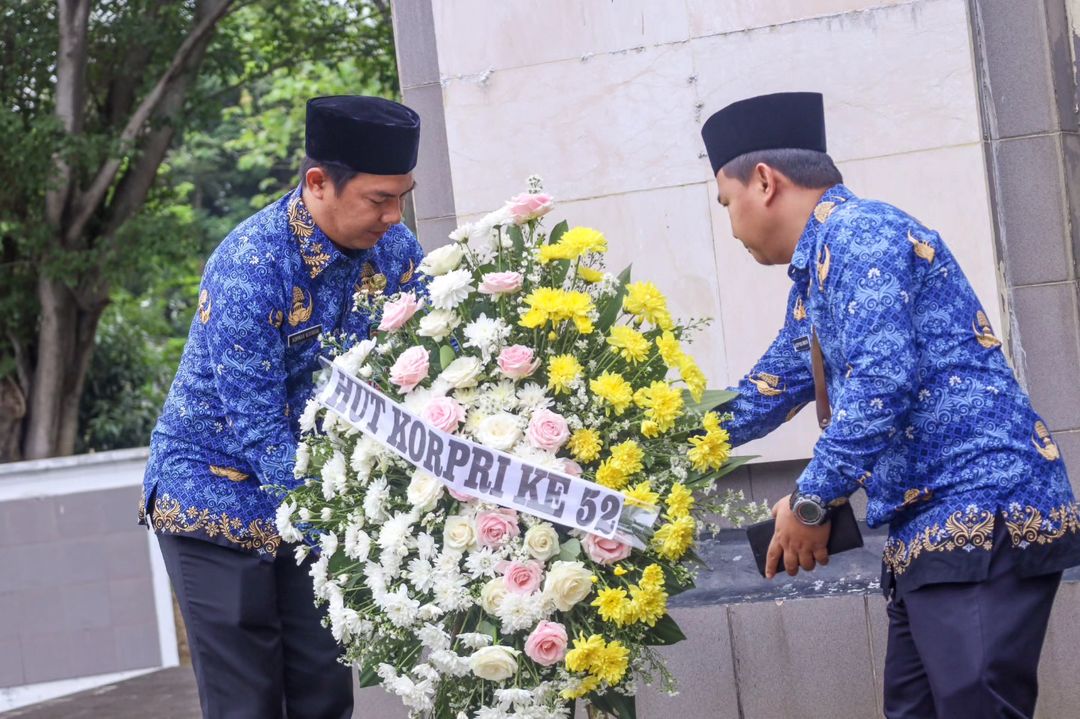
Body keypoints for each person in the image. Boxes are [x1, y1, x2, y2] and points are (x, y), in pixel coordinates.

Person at [702, 91, 1080, 718]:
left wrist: (811, 500)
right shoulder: (819, 271)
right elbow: (764, 392)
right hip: (928, 536)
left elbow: (882, 382)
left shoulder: (861, 234)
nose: (731, 224)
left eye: (726, 203)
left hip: (978, 514)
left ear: (763, 182)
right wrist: (643, 439)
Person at [140, 95, 425, 718]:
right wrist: (346, 533)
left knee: (323, 690)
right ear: (318, 183)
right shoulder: (251, 263)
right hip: (216, 489)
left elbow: (427, 363)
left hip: (313, 491)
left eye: (402, 196)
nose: (393, 215)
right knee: (250, 702)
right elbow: (259, 428)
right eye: (379, 199)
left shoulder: (398, 253)